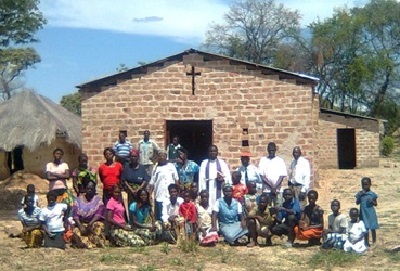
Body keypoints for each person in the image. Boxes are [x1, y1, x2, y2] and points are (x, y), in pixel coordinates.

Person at [71, 181, 106, 248]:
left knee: (99, 226)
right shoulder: (78, 200)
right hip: (81, 224)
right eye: (88, 188)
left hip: (93, 223)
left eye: (91, 189)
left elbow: (98, 214)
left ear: (94, 190)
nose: (89, 190)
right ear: (85, 189)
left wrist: (90, 223)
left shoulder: (98, 200)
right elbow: (75, 215)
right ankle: (87, 243)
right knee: (76, 232)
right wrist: (80, 226)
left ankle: (93, 242)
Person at [149, 151, 179, 221]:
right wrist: (150, 194)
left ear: (166, 157)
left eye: (163, 156)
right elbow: (152, 182)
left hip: (170, 196)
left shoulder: (171, 166)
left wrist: (177, 192)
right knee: (160, 217)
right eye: (159, 156)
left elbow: (176, 179)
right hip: (160, 195)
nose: (161, 157)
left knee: (170, 215)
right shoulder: (155, 168)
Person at [199, 145, 232, 209]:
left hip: (219, 187)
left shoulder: (222, 163)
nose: (212, 153)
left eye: (214, 151)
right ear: (208, 152)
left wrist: (222, 179)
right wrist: (201, 191)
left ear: (217, 152)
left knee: (218, 204)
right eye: (211, 151)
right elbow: (201, 178)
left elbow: (227, 177)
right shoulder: (204, 163)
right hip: (207, 186)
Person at [356, 177, 378, 247]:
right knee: (365, 228)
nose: (365, 186)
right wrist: (360, 196)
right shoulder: (360, 193)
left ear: (370, 184)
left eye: (366, 184)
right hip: (363, 213)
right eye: (363, 185)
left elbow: (376, 204)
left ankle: (374, 241)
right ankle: (366, 242)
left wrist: (372, 201)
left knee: (373, 227)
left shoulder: (372, 194)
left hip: (371, 212)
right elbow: (357, 202)